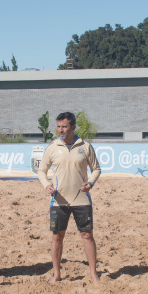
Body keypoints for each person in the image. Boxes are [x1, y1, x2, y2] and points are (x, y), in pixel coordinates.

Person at [36, 112, 102, 283]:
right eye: (58, 127)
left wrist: (91, 183)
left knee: (87, 235)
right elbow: (41, 170)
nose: (61, 130)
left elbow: (96, 169)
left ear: (73, 127)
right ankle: (57, 274)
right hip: (59, 200)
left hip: (82, 199)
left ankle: (94, 274)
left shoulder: (85, 146)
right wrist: (46, 185)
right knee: (57, 236)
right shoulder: (52, 147)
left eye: (64, 127)